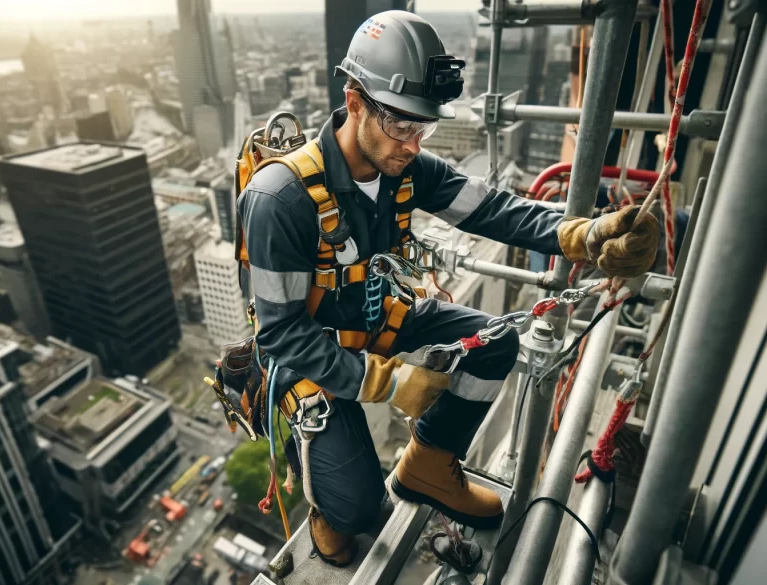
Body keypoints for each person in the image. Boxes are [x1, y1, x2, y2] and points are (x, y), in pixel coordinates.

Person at [235, 10, 659, 567]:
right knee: (359, 514)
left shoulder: (405, 168)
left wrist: (584, 234)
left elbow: (494, 211)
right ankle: (329, 508)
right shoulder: (281, 200)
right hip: (311, 354)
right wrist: (389, 382)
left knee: (497, 341)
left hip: (375, 315)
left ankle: (429, 465)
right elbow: (282, 333)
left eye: (423, 127)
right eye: (401, 125)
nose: (412, 143)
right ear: (355, 100)